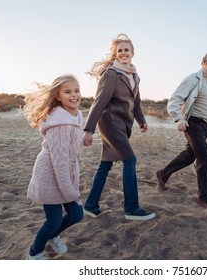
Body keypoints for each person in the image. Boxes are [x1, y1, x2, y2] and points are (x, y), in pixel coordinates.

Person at [83, 34, 155, 221]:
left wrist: (141, 120)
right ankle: (132, 208)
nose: (123, 53)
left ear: (133, 53)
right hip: (110, 124)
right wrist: (88, 130)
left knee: (105, 164)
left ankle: (90, 205)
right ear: (115, 54)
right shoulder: (111, 74)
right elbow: (98, 102)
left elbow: (136, 102)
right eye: (119, 50)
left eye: (126, 50)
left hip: (123, 125)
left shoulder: (135, 76)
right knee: (130, 160)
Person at [156, 50, 207, 208]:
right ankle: (204, 198)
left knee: (189, 156)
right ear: (206, 63)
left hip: (206, 126)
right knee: (205, 158)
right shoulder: (193, 79)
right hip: (193, 124)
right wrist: (178, 118)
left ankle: (162, 174)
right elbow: (174, 100)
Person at [24, 74, 84, 260]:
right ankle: (34, 254)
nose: (74, 95)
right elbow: (59, 160)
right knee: (54, 220)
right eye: (67, 92)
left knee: (76, 214)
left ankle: (52, 236)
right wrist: (68, 190)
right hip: (50, 175)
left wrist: (83, 139)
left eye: (76, 90)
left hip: (65, 172)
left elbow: (70, 143)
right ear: (58, 96)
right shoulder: (59, 121)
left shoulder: (76, 115)